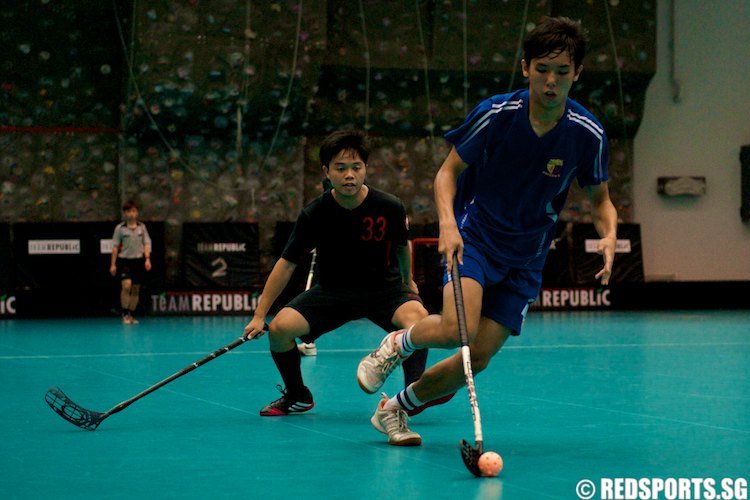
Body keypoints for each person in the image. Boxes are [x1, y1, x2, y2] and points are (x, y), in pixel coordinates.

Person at [357, 16, 618, 445]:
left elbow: (600, 198)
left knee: (475, 358)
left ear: (578, 74)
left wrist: (608, 234)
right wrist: (447, 224)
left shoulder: (586, 133)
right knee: (455, 330)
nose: (551, 81)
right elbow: (447, 173)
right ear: (525, 68)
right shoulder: (497, 114)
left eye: (562, 72)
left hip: (527, 258)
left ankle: (395, 409)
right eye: (542, 69)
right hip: (475, 237)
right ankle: (397, 343)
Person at [243, 129, 433, 445]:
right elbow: (286, 263)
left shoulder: (390, 206)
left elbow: (402, 246)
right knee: (280, 329)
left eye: (356, 167)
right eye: (340, 168)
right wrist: (260, 313)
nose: (349, 175)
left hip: (383, 289)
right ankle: (298, 395)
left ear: (366, 169)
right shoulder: (314, 213)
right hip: (332, 291)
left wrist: (408, 281)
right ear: (326, 172)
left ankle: (414, 392)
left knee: (420, 321)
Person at [110, 200, 152, 324]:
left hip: (139, 261)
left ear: (137, 213)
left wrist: (147, 259)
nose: (131, 214)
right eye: (128, 211)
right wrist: (113, 264)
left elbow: (146, 243)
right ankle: (124, 314)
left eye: (133, 211)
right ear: (125, 214)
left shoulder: (142, 227)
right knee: (126, 286)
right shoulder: (120, 229)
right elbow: (115, 247)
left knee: (135, 289)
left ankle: (131, 315)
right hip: (125, 262)